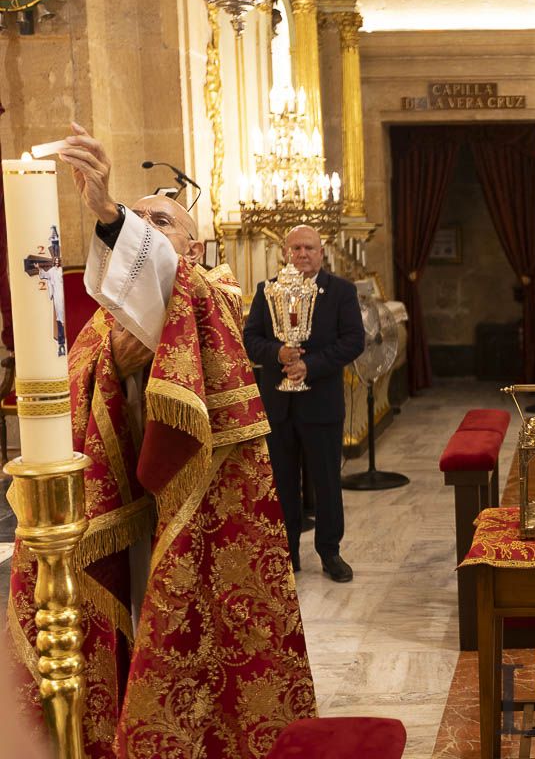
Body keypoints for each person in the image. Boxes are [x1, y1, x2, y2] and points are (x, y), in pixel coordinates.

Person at [8, 124, 316, 757]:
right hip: (124, 506)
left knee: (181, 628)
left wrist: (110, 212)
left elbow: (161, 291)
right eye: (139, 219)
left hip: (194, 510)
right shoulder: (102, 323)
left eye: (160, 223)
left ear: (193, 247)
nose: (143, 230)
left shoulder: (214, 296)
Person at [244, 226, 365, 582]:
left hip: (321, 404)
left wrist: (308, 365)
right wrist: (277, 353)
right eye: (295, 247)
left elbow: (353, 341)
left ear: (322, 252)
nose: (303, 253)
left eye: (309, 248)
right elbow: (251, 338)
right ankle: (287, 554)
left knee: (326, 482)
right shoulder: (266, 290)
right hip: (278, 405)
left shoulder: (341, 291)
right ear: (285, 253)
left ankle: (330, 553)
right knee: (281, 482)